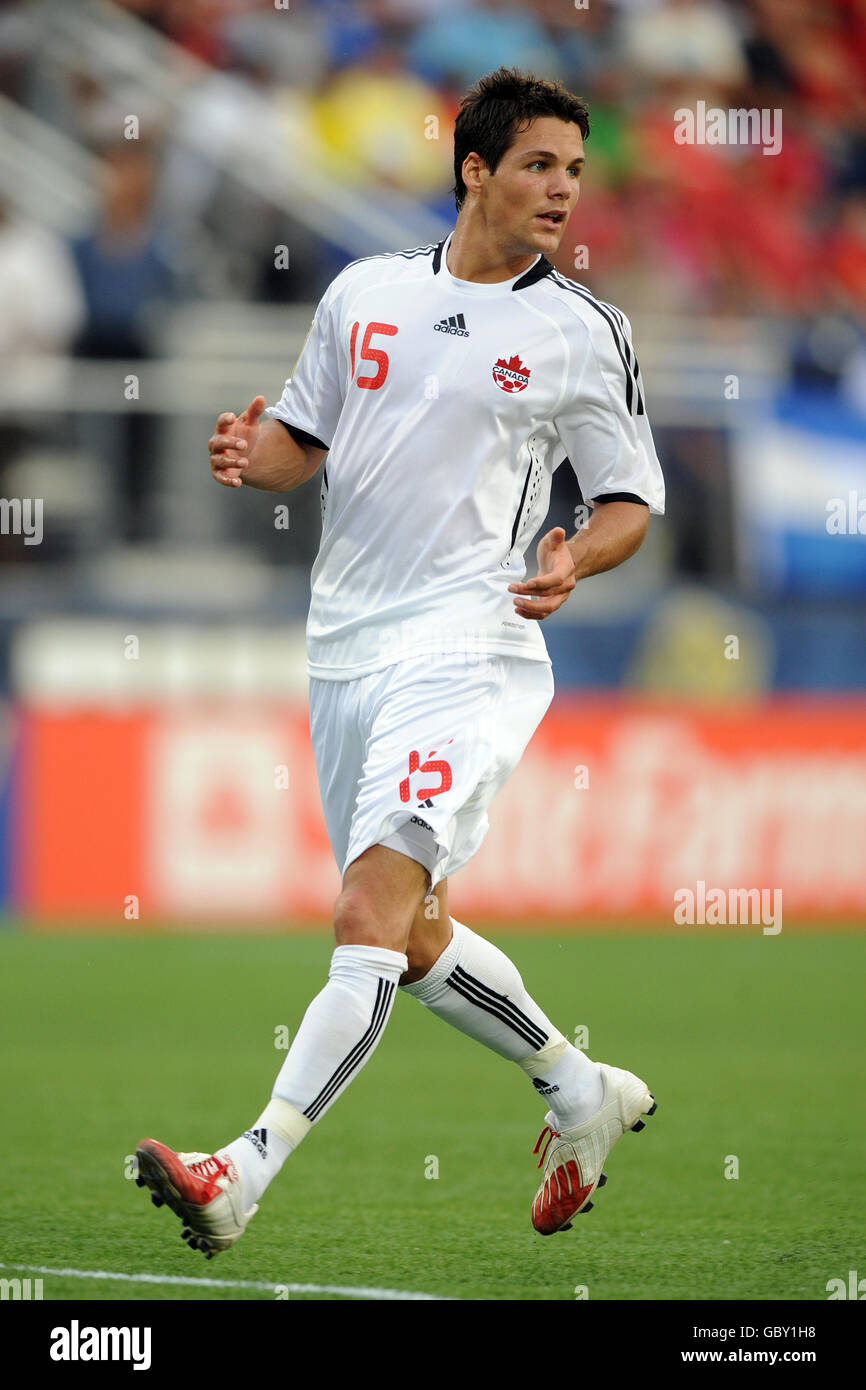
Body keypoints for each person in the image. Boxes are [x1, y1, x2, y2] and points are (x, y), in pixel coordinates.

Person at [135, 66, 663, 1257]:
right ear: (473, 168)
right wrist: (247, 449)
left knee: (364, 912)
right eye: (537, 165)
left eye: (574, 172)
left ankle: (241, 1169)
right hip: (344, 651)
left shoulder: (582, 332)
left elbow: (630, 501)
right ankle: (577, 1091)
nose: (560, 191)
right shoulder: (363, 296)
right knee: (415, 934)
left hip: (470, 646)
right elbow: (299, 444)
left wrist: (576, 555)